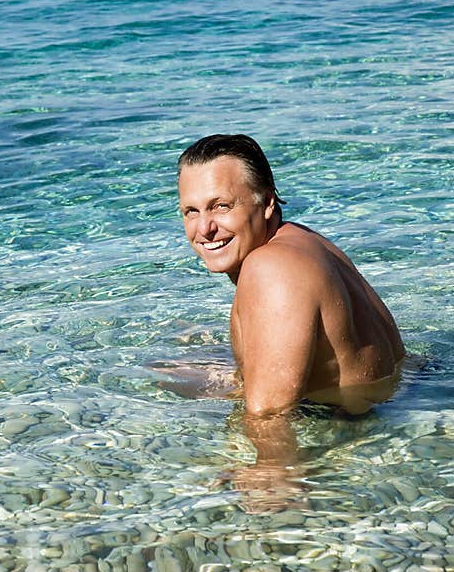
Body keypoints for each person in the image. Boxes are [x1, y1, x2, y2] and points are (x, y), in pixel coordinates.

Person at [173, 134, 406, 510]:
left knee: (159, 377)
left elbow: (269, 414)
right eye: (191, 211)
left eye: (220, 207)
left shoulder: (272, 268)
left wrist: (266, 481)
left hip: (347, 430)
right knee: (171, 367)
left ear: (265, 203)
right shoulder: (301, 241)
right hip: (390, 402)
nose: (204, 229)